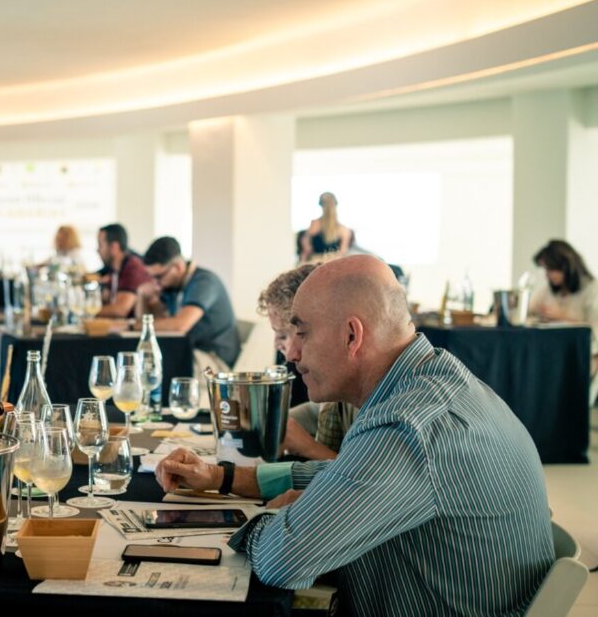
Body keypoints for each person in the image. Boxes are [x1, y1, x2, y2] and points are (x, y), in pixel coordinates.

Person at [156, 255, 553, 614]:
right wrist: (222, 478)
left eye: (302, 333)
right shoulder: (428, 382)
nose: (291, 353)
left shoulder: (407, 425)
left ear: (352, 335)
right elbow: (344, 473)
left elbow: (283, 560)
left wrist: (277, 517)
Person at [257, 264, 355, 460]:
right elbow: (315, 411)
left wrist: (308, 447)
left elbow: (362, 480)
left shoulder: (367, 394)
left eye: (284, 335)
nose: (279, 346)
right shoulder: (333, 395)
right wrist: (274, 422)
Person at [138, 236, 241, 370]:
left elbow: (180, 325)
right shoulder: (173, 287)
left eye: (158, 277)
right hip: (190, 353)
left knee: (154, 366)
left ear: (179, 267)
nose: (155, 284)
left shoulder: (204, 282)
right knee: (145, 360)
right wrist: (141, 296)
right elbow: (157, 322)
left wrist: (132, 326)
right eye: (151, 277)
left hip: (214, 361)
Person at [530, 239, 598, 403]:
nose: (547, 274)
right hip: (554, 351)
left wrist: (562, 318)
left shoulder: (592, 290)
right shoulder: (548, 290)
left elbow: (595, 330)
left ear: (566, 266)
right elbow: (528, 310)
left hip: (581, 353)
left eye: (550, 269)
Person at [96, 223, 153, 318]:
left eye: (100, 245)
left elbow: (120, 310)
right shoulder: (114, 269)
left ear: (114, 247)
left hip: (132, 329)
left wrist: (86, 311)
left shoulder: (133, 267)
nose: (97, 250)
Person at [299, 191, 352, 262]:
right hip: (324, 264)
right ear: (335, 204)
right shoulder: (344, 230)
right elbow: (343, 253)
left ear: (320, 205)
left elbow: (306, 249)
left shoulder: (315, 224)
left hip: (322, 264)